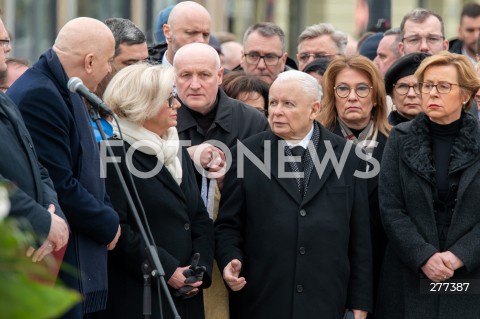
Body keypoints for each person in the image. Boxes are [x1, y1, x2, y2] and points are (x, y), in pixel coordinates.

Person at [215, 70, 373, 319]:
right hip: (262, 300)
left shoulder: (349, 156)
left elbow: (361, 238)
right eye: (274, 103)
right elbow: (228, 225)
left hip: (327, 302)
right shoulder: (245, 154)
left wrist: (360, 303)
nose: (276, 111)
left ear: (314, 109)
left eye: (288, 104)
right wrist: (229, 260)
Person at [7, 17, 121, 319]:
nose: (109, 69)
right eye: (108, 61)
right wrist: (107, 222)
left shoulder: (65, 86)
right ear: (90, 60)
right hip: (53, 255)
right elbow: (57, 179)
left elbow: (86, 168)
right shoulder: (40, 93)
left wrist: (108, 212)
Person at [94, 63, 214, 319]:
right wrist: (167, 269)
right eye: (169, 99)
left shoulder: (174, 146)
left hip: (187, 294)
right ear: (143, 105)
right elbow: (117, 229)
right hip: (142, 294)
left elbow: (198, 216)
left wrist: (199, 270)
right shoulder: (113, 153)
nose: (178, 105)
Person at [376, 51, 480, 319]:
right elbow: (391, 207)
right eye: (427, 85)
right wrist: (424, 257)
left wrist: (460, 255)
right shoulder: (400, 138)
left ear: (466, 94)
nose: (432, 93)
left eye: (443, 86)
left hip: (470, 273)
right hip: (410, 271)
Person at [174, 42, 268, 319]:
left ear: (220, 76)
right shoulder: (159, 118)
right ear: (173, 78)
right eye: (185, 75)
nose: (194, 84)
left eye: (204, 75)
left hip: (239, 247)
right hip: (179, 249)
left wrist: (232, 181)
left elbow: (267, 191)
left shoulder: (252, 121)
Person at [319, 54, 391, 316]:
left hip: (386, 270)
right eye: (343, 88)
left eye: (362, 88)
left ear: (375, 97)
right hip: (330, 276)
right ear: (332, 95)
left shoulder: (397, 143)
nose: (352, 97)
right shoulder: (313, 145)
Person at [0, 15, 68, 264]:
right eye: (2, 41)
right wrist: (41, 220)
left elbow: (37, 167)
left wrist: (53, 214)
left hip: (24, 256)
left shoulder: (6, 101)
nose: (8, 48)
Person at [92, 17, 149, 142]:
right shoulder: (81, 116)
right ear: (105, 62)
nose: (141, 72)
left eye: (145, 63)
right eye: (131, 64)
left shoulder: (152, 110)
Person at [148, 1, 211, 66]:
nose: (201, 41)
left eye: (205, 35)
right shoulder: (143, 73)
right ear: (167, 32)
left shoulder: (216, 73)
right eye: (191, 33)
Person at [384, 52, 430, 125]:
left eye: (419, 86)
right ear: (392, 96)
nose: (411, 94)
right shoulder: (379, 135)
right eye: (403, 86)